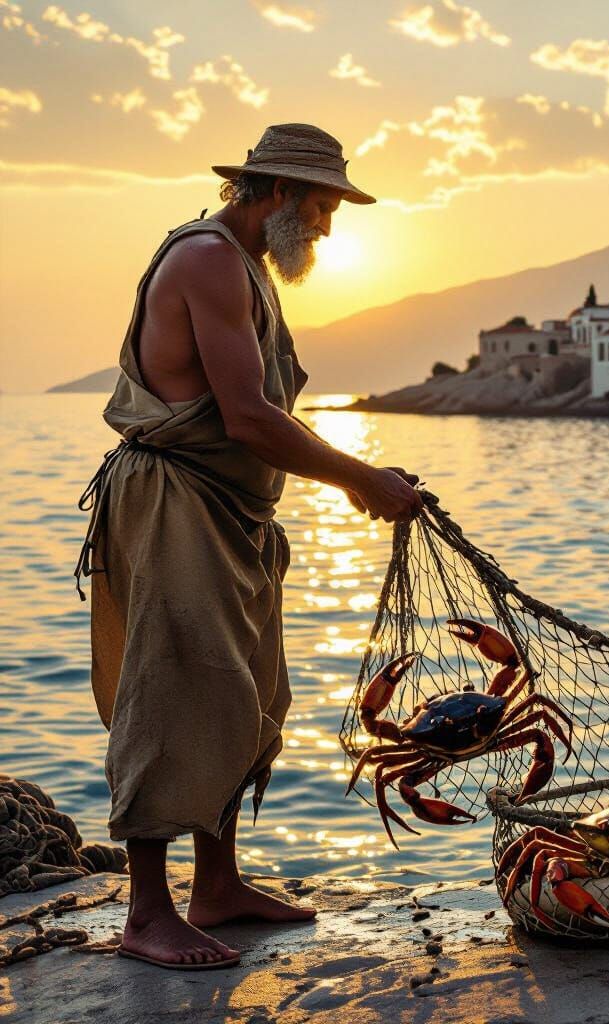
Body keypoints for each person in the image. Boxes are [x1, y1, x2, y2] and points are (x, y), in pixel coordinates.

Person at [75, 124, 422, 970]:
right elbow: (247, 417)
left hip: (230, 511)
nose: (332, 227)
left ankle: (218, 886)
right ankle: (146, 911)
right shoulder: (204, 260)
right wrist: (357, 478)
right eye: (325, 205)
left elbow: (260, 415)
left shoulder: (248, 267)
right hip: (172, 507)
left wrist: (365, 471)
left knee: (245, 693)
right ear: (275, 192)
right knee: (169, 694)